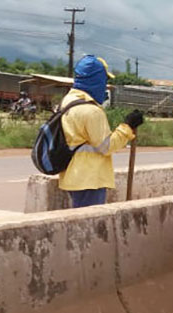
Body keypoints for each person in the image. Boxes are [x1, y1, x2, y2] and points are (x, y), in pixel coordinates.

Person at [59, 55, 144, 208]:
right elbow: (106, 146)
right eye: (104, 80)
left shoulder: (67, 102)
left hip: (73, 175)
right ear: (97, 80)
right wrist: (127, 127)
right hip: (90, 178)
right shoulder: (91, 111)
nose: (105, 85)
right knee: (88, 225)